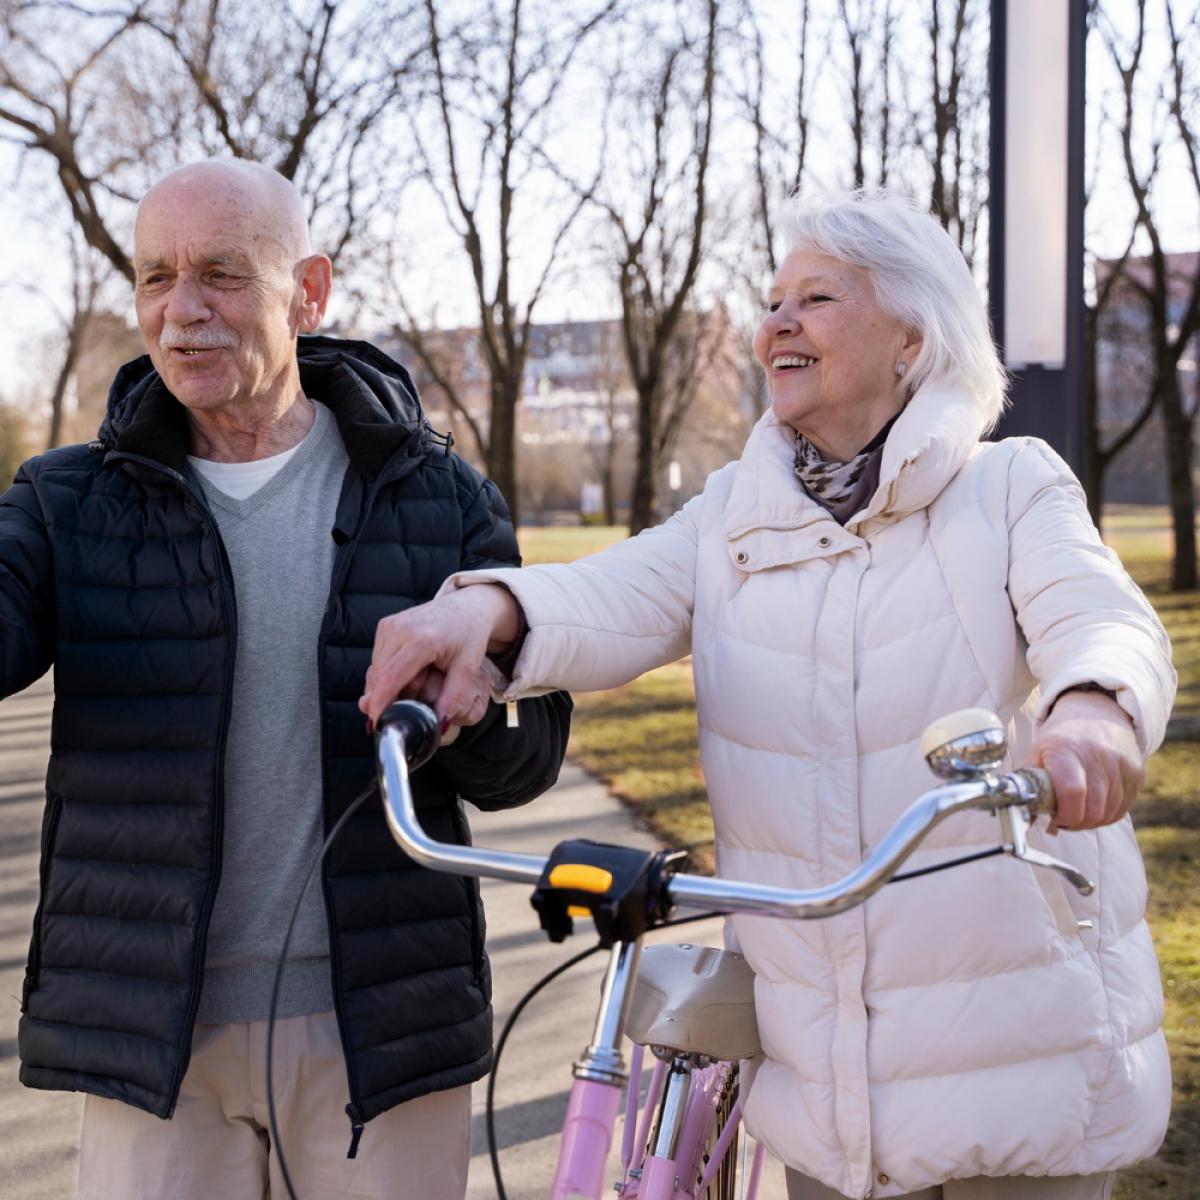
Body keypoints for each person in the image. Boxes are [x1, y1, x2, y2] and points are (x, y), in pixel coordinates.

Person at [359, 191, 1176, 1200]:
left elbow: (1100, 618)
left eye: (817, 298)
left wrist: (1093, 709)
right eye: (774, 300)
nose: (776, 323)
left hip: (1016, 1067)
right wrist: (482, 612)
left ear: (912, 340)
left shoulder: (1008, 490)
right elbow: (613, 593)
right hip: (821, 1077)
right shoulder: (735, 516)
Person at [0, 159, 571, 1200]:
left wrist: (479, 713)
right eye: (155, 278)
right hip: (153, 1039)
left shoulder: (437, 496)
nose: (182, 313)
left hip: (383, 1032)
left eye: (221, 274)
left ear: (309, 291)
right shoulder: (64, 502)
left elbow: (529, 758)